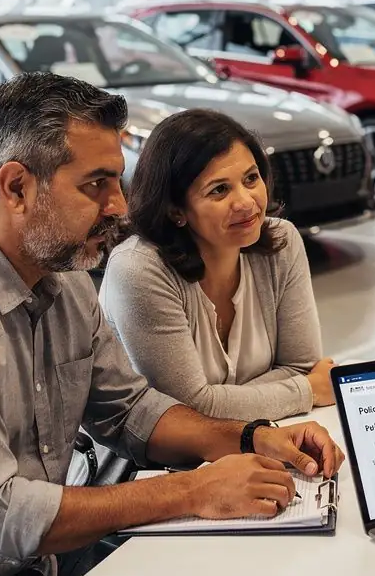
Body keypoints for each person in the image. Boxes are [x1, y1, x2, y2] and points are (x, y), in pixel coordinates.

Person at [0, 74, 342, 576]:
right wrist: (193, 489)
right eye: (96, 184)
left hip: (44, 569)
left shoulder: (62, 281)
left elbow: (132, 410)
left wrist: (249, 438)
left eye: (116, 179)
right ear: (16, 187)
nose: (119, 205)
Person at [100, 108, 335, 420]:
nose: (247, 202)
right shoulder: (139, 269)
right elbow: (187, 410)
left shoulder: (281, 241)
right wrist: (306, 390)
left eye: (251, 179)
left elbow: (301, 366)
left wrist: (224, 401)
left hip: (257, 439)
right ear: (175, 210)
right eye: (219, 189)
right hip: (150, 462)